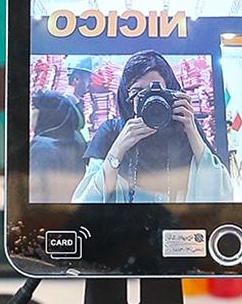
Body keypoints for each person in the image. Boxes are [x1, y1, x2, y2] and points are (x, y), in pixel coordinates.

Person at [74, 50, 231, 203]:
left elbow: (221, 196)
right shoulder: (112, 132)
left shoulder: (184, 130)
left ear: (172, 92)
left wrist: (191, 131)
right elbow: (85, 203)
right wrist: (118, 149)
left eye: (157, 91)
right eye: (137, 92)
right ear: (125, 95)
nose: (149, 99)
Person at [27, 89, 88, 202]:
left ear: (47, 113)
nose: (30, 113)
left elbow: (36, 196)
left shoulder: (41, 148)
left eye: (34, 108)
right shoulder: (76, 139)